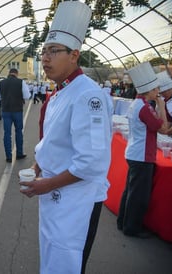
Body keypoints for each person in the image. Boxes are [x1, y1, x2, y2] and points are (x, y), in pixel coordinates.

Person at [19, 2, 112, 274]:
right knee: (53, 256)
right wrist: (38, 168)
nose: (45, 58)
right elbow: (55, 141)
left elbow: (91, 163)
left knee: (67, 261)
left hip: (77, 200)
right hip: (57, 193)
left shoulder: (88, 95)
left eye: (53, 51)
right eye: (43, 52)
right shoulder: (62, 91)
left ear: (74, 55)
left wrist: (46, 184)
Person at [117, 62, 168, 238]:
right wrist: (161, 106)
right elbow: (162, 128)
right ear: (149, 90)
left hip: (134, 152)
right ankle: (132, 228)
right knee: (138, 195)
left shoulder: (136, 104)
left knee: (129, 190)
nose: (158, 92)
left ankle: (122, 222)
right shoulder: (145, 107)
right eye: (155, 89)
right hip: (142, 155)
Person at [0, 68, 30, 162]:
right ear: (17, 74)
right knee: (19, 131)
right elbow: (27, 96)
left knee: (7, 133)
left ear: (9, 73)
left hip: (6, 110)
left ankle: (8, 156)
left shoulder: (1, 83)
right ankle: (19, 153)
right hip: (17, 110)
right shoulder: (21, 82)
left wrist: (4, 97)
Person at [156, 71, 172, 137]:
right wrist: (163, 130)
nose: (162, 95)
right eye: (160, 93)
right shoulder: (165, 100)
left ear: (169, 89)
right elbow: (169, 120)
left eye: (163, 92)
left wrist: (168, 131)